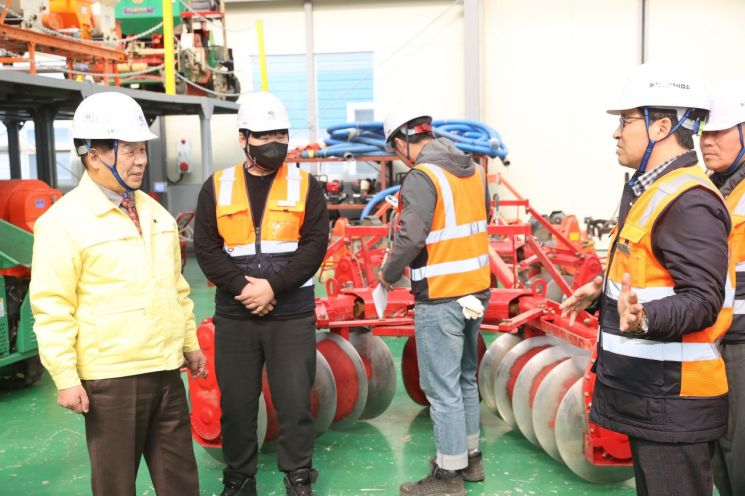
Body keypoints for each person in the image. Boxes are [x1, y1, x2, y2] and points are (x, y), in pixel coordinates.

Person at [560, 63, 733, 496]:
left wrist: (645, 318)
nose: (617, 133)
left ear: (662, 126)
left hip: (672, 400)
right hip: (652, 395)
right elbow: (650, 275)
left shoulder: (688, 199)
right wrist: (602, 293)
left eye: (626, 121)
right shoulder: (652, 191)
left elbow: (703, 299)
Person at [29, 91, 205, 496]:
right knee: (116, 486)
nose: (141, 159)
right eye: (129, 150)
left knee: (181, 481)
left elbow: (176, 288)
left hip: (165, 370)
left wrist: (190, 344)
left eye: (142, 149)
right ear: (93, 154)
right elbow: (52, 306)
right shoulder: (63, 222)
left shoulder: (155, 214)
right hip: (111, 378)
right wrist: (65, 377)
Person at [193, 91, 329, 496]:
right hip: (236, 316)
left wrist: (273, 286)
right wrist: (244, 289)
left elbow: (314, 246)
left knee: (294, 403)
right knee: (236, 405)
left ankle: (298, 475)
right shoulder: (216, 187)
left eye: (281, 134)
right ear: (243, 138)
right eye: (264, 135)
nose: (275, 144)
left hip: (290, 313)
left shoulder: (306, 186)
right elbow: (206, 248)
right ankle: (239, 480)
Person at [378, 106, 491, 496]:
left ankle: (448, 477)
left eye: (395, 150)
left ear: (402, 142)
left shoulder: (422, 176)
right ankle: (469, 459)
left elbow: (410, 239)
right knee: (463, 379)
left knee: (440, 387)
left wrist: (387, 275)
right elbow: (482, 218)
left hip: (441, 295)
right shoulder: (473, 170)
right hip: (477, 289)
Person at [700, 80, 745, 496]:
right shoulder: (713, 188)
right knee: (720, 453)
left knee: (739, 454)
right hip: (715, 338)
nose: (707, 141)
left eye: (719, 132)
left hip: (742, 345)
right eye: (703, 132)